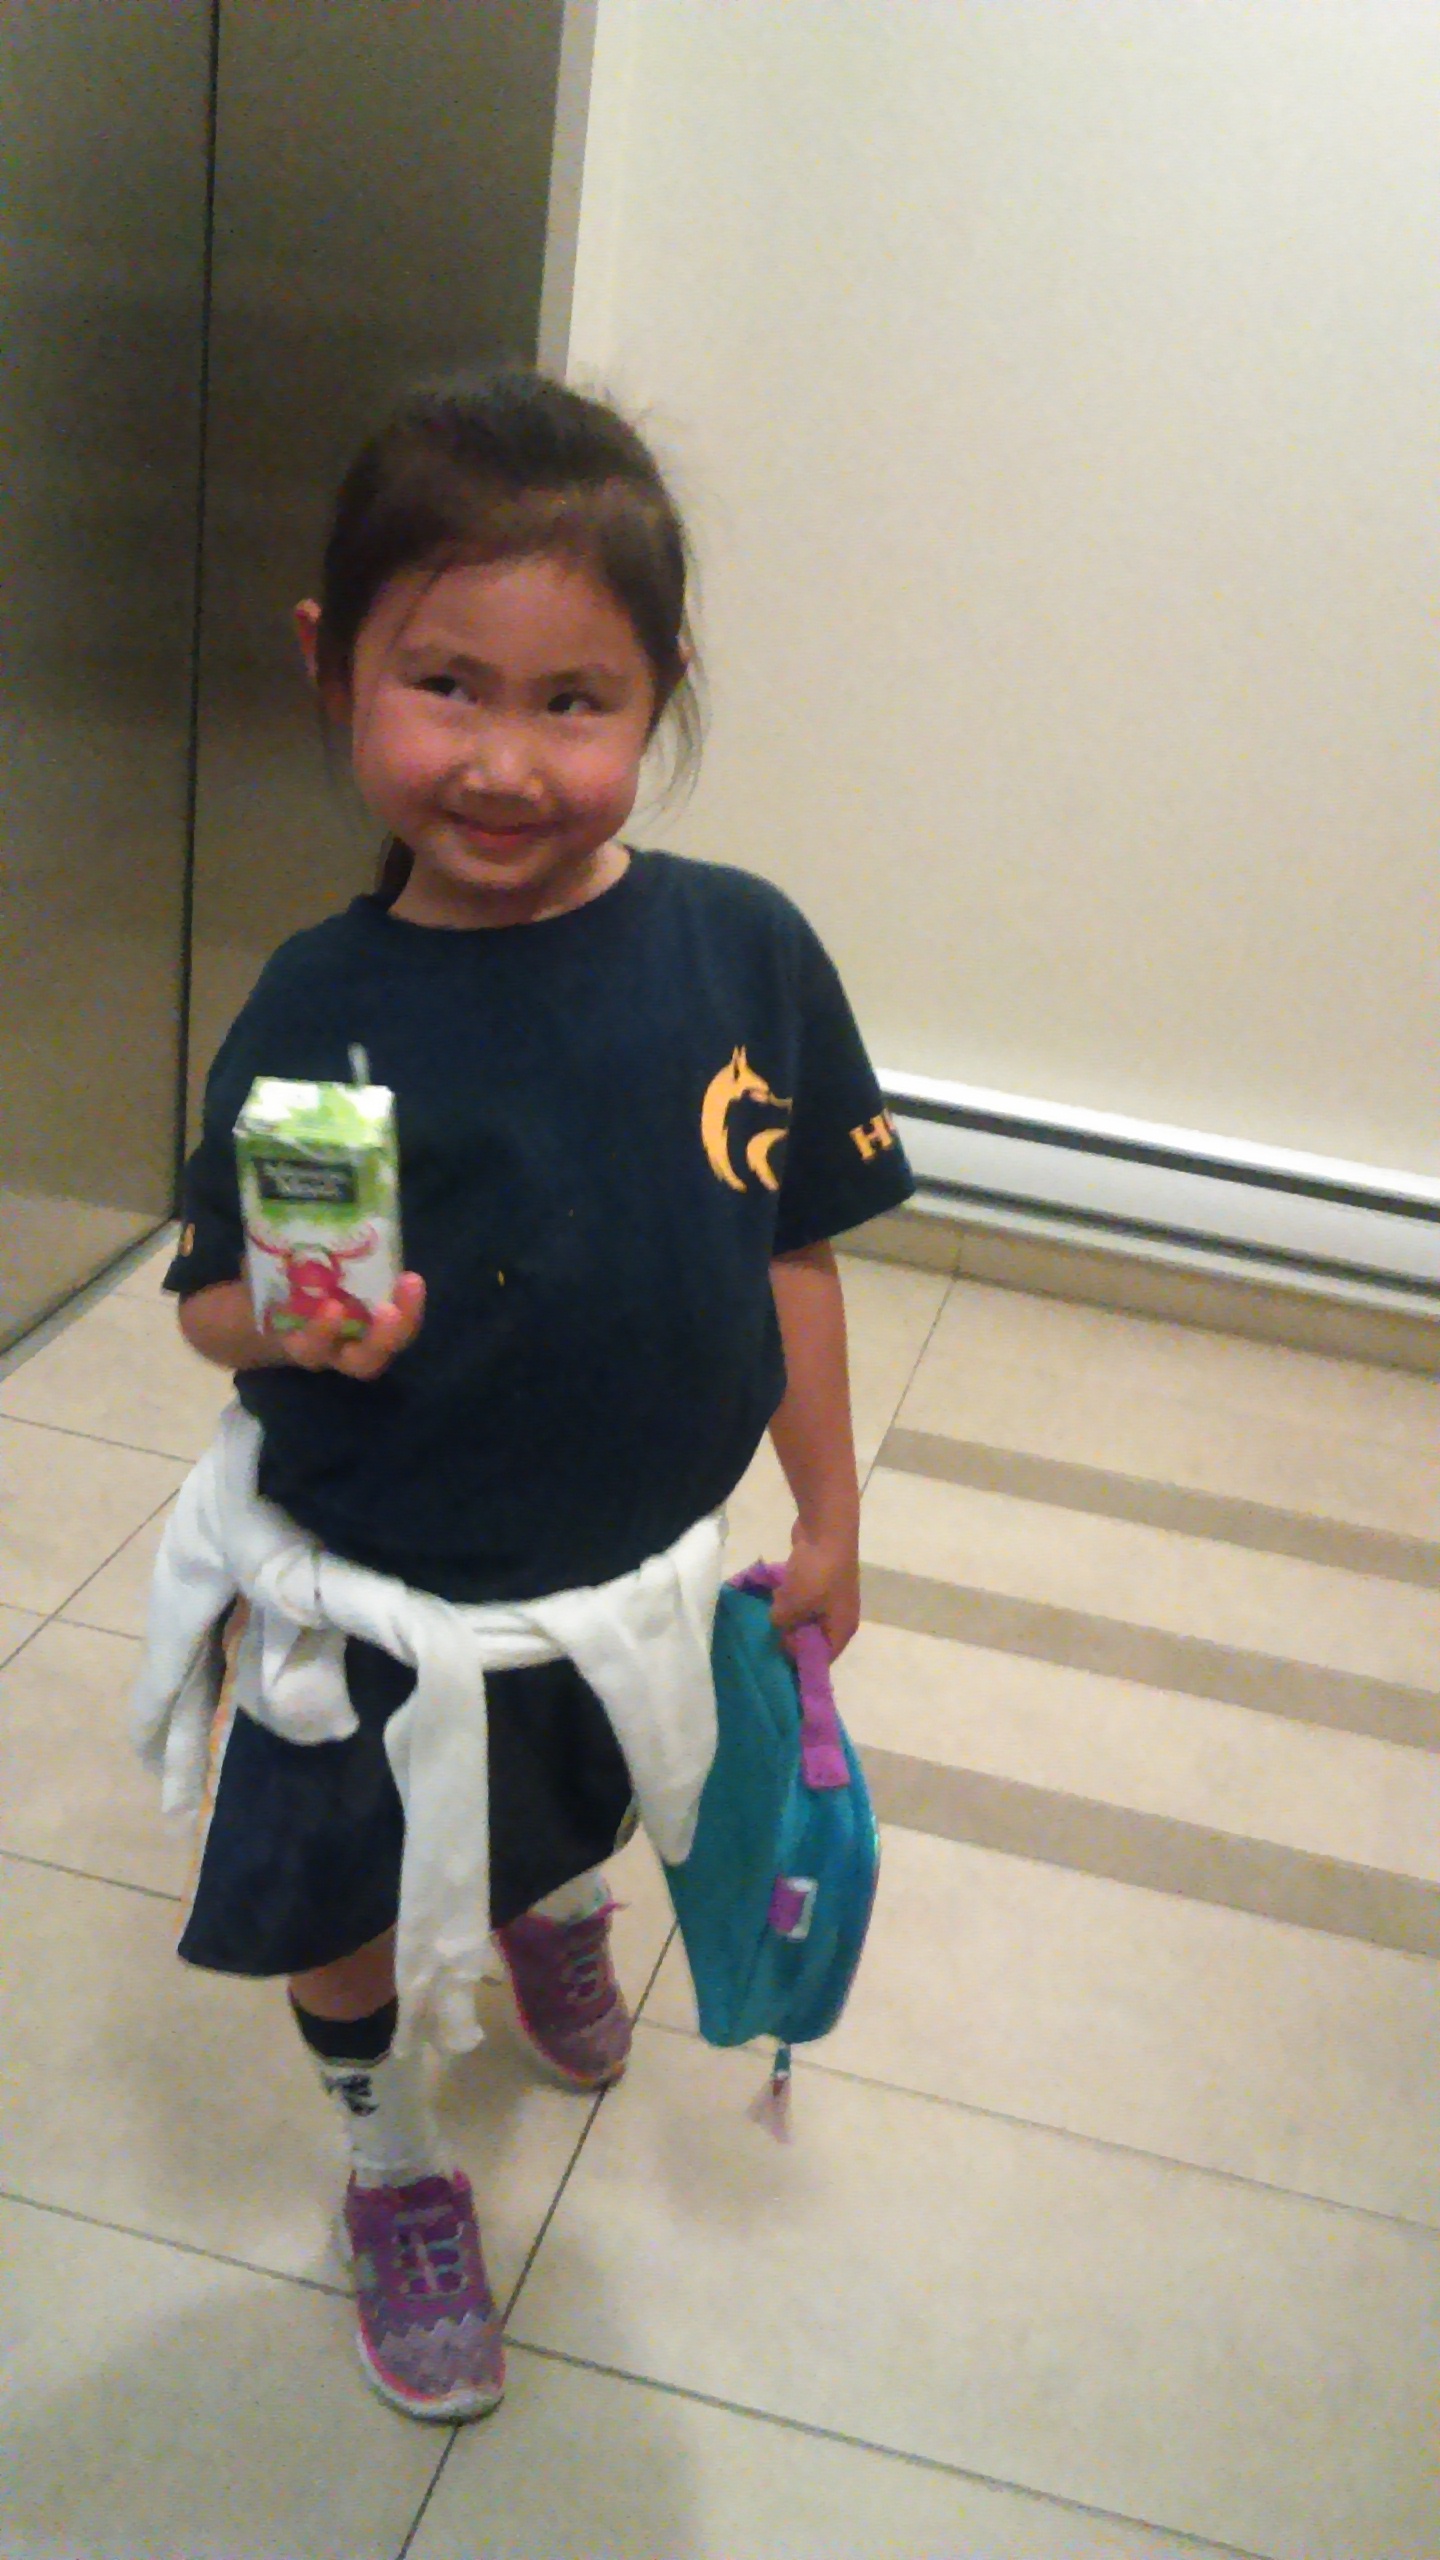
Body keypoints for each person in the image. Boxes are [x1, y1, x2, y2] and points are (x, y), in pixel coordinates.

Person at [153, 367, 914, 2422]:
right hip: (375, 1602)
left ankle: (548, 1903)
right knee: (344, 1900)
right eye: (444, 685)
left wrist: (830, 1508)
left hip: (629, 1580)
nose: (503, 761)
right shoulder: (322, 1003)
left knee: (581, 1794)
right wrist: (290, 1330)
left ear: (660, 693)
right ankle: (392, 2160)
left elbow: (793, 1244)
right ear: (335, 665)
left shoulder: (743, 954)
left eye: (574, 700)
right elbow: (211, 1298)